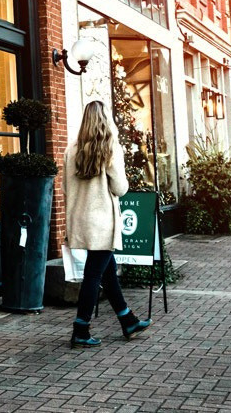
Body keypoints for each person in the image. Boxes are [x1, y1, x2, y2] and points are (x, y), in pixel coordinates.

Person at [64, 100, 151, 348]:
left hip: (80, 219)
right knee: (93, 275)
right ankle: (81, 329)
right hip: (102, 222)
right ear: (105, 120)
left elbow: (65, 188)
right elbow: (121, 188)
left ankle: (128, 320)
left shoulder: (71, 150)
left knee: (107, 272)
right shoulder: (110, 148)